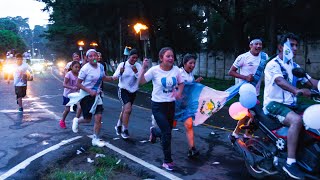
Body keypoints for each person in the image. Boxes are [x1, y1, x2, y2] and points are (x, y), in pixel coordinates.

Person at [263, 33, 319, 179]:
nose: (295, 48)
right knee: (297, 120)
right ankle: (290, 162)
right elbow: (280, 81)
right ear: (281, 47)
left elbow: (309, 81)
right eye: (291, 45)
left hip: (292, 103)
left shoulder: (295, 66)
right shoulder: (273, 64)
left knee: (315, 113)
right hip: (274, 104)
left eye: (296, 45)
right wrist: (297, 90)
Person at [139, 47, 184, 171]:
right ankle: (167, 161)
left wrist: (179, 92)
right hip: (158, 105)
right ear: (161, 58)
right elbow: (141, 82)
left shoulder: (176, 70)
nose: (171, 58)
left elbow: (181, 83)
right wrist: (143, 68)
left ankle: (154, 132)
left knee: (167, 131)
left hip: (171, 105)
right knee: (167, 132)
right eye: (168, 56)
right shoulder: (154, 70)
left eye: (172, 56)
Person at [71, 49, 118, 147]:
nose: (93, 58)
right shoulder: (85, 69)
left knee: (98, 117)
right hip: (86, 95)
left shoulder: (100, 66)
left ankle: (95, 139)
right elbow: (78, 83)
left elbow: (103, 77)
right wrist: (89, 91)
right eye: (91, 56)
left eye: (95, 55)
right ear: (87, 58)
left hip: (97, 95)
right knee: (87, 119)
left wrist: (113, 78)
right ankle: (77, 120)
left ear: (98, 57)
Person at [228, 38, 268, 139]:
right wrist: (245, 77)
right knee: (253, 114)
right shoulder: (243, 57)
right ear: (250, 45)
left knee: (246, 114)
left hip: (256, 91)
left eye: (260, 44)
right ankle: (245, 134)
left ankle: (239, 134)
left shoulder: (264, 57)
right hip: (245, 91)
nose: (258, 46)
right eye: (256, 44)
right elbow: (231, 72)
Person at [177, 53, 203, 157]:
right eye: (190, 63)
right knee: (169, 126)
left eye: (194, 63)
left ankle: (192, 149)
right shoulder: (178, 72)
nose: (192, 65)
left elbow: (189, 86)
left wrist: (196, 82)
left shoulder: (190, 74)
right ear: (184, 63)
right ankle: (156, 132)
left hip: (185, 104)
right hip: (175, 105)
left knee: (189, 125)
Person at [113, 49, 141, 139]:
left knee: (125, 110)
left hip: (133, 91)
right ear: (129, 56)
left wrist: (136, 71)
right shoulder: (122, 65)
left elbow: (141, 79)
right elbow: (115, 76)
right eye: (133, 57)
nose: (134, 59)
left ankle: (118, 125)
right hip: (123, 89)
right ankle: (125, 130)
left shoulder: (138, 66)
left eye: (136, 58)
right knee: (128, 109)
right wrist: (120, 72)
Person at [59, 61, 81, 129]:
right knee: (67, 109)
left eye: (78, 67)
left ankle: (76, 122)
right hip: (68, 94)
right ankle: (62, 121)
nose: (77, 69)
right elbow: (64, 84)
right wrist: (72, 87)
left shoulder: (80, 74)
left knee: (80, 107)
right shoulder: (68, 74)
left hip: (77, 94)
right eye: (75, 67)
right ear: (71, 67)